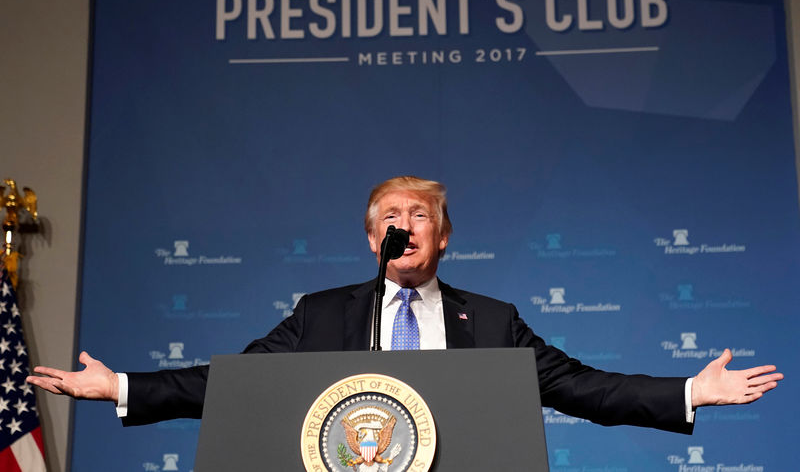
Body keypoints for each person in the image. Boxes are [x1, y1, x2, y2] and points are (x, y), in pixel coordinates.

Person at [27, 176, 783, 432]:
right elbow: (232, 382)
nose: (404, 223)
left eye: (419, 214)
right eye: (389, 214)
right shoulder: (321, 315)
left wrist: (691, 390)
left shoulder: (491, 321)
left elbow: (586, 387)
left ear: (444, 237)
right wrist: (120, 385)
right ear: (371, 237)